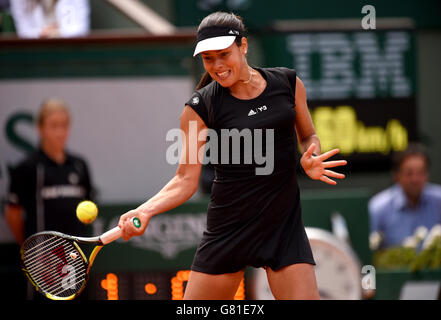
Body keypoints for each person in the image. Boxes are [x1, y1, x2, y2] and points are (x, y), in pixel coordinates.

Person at [117, 12, 347, 300]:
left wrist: (309, 155)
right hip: (228, 230)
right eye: (208, 58)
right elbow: (185, 179)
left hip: (282, 228)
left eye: (224, 54)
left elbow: (308, 135)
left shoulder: (288, 84)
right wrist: (146, 210)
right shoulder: (199, 107)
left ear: (244, 46)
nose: (217, 66)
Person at [5, 98, 94, 245]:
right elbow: (13, 214)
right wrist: (31, 249)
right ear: (40, 128)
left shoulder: (80, 165)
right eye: (53, 126)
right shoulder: (26, 168)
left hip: (75, 256)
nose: (60, 132)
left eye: (64, 126)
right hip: (42, 258)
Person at [369, 143, 441, 249]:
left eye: (421, 172)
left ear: (427, 174)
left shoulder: (438, 200)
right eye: (409, 173)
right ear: (396, 175)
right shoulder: (378, 208)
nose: (415, 179)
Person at [10, 0, 90, 38]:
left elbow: (80, 29)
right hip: (34, 55)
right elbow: (24, 31)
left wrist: (58, 33)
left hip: (69, 52)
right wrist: (43, 34)